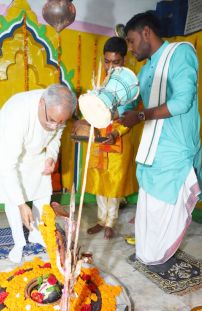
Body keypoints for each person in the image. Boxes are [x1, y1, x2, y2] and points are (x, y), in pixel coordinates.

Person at [118, 12, 201, 272]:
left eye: (131, 41)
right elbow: (129, 107)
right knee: (149, 205)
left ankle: (159, 256)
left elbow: (181, 102)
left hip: (175, 148)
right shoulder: (145, 71)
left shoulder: (181, 53)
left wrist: (141, 115)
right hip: (152, 150)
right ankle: (149, 254)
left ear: (146, 32)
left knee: (165, 208)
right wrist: (112, 126)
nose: (130, 49)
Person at [0, 84, 77, 263]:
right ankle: (19, 242)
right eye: (51, 120)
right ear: (42, 103)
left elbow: (56, 136)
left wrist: (50, 156)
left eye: (60, 122)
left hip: (34, 152)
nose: (54, 126)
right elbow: (7, 167)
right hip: (5, 155)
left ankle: (36, 234)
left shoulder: (57, 113)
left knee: (43, 192)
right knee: (12, 199)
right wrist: (21, 204)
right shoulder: (17, 115)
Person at [78, 37, 137, 239]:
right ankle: (101, 220)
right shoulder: (99, 83)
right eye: (107, 61)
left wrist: (115, 132)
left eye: (116, 62)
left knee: (114, 183)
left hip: (118, 139)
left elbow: (128, 118)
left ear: (124, 61)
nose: (110, 67)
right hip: (99, 139)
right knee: (99, 180)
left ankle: (111, 222)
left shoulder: (129, 86)